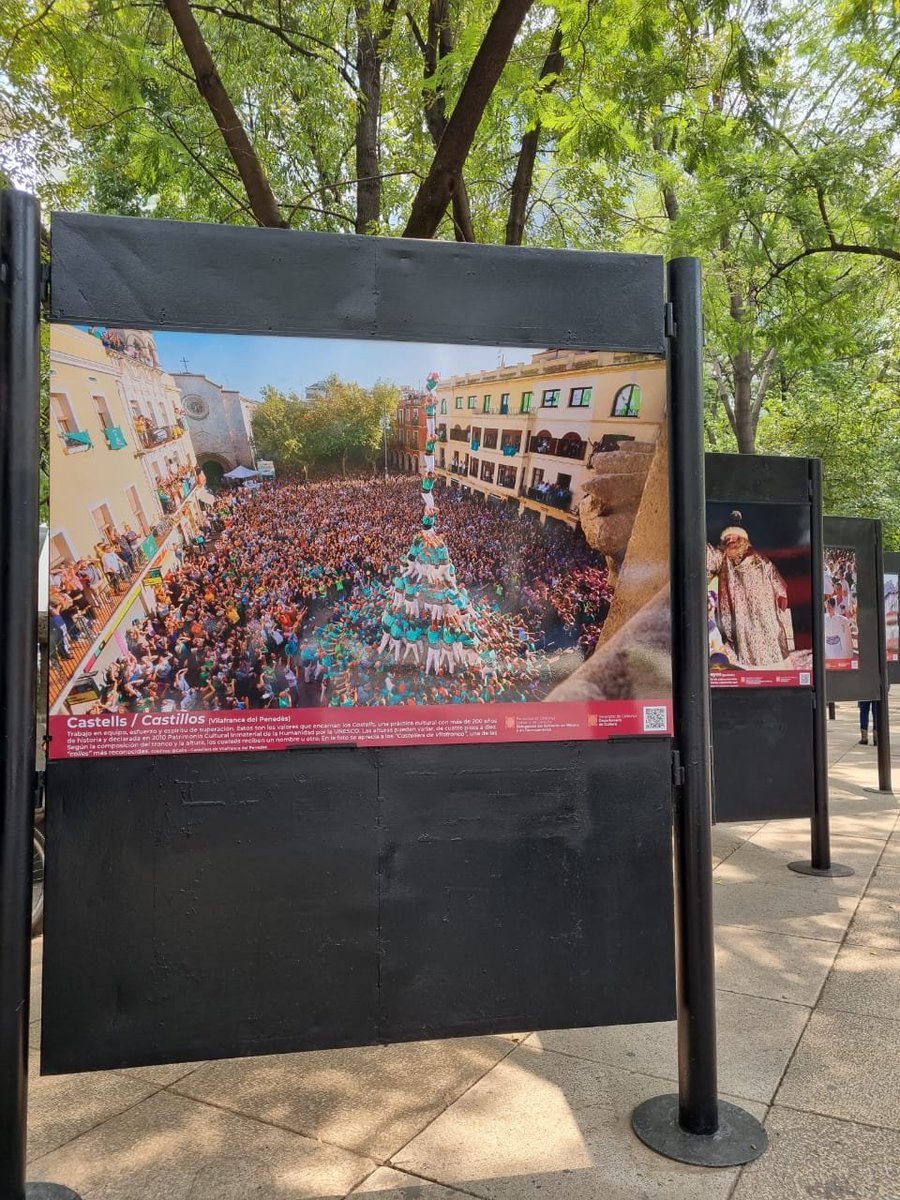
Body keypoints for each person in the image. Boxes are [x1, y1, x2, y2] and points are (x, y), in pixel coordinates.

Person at [707, 512, 792, 667]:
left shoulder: (760, 559)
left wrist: (781, 593)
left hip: (764, 612)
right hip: (740, 616)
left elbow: (773, 574)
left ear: (743, 538)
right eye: (727, 538)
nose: (730, 540)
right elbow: (709, 556)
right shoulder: (722, 559)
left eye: (733, 537)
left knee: (770, 640)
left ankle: (774, 670)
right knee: (745, 646)